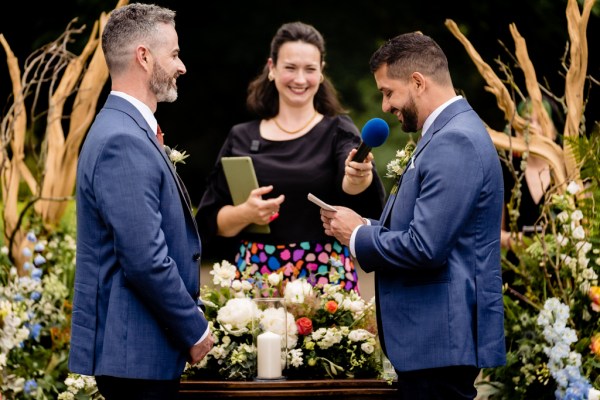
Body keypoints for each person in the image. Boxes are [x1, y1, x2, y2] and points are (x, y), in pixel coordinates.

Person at [320, 32, 506, 399]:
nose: (385, 106)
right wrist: (364, 225)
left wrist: (358, 236)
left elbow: (426, 247)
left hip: (440, 340)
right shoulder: (445, 133)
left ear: (418, 82)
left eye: (388, 92)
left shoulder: (456, 140)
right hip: (434, 341)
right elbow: (425, 227)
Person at [69, 4, 213, 399]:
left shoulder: (125, 129)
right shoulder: (123, 140)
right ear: (144, 57)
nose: (182, 66)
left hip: (139, 354)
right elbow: (144, 258)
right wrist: (194, 328)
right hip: (136, 356)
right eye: (175, 54)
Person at [196, 21, 385, 292]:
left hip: (325, 277)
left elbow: (353, 182)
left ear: (321, 72)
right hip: (256, 279)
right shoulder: (240, 136)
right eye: (290, 68)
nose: (299, 79)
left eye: (309, 69)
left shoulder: (338, 130)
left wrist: (358, 176)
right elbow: (211, 222)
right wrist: (245, 213)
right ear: (271, 69)